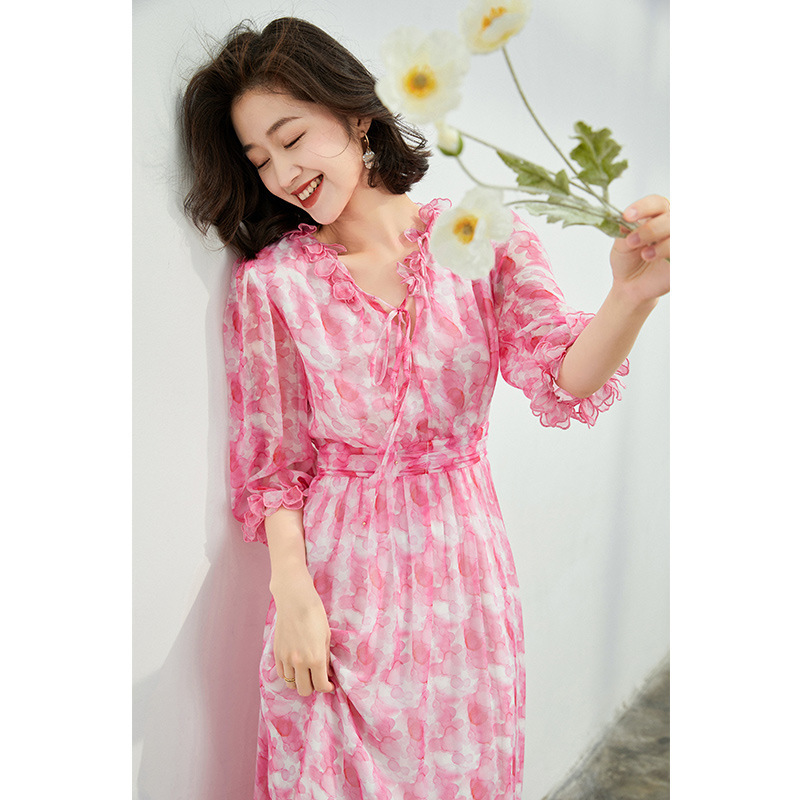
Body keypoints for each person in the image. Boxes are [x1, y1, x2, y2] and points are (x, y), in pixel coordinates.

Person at [180, 16, 669, 800]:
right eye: (260, 159)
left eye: (292, 137)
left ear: (355, 115)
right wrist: (293, 595)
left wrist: (631, 297)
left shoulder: (481, 239)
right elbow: (276, 465)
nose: (283, 172)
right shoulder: (275, 286)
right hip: (339, 586)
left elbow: (562, 375)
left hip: (462, 581)